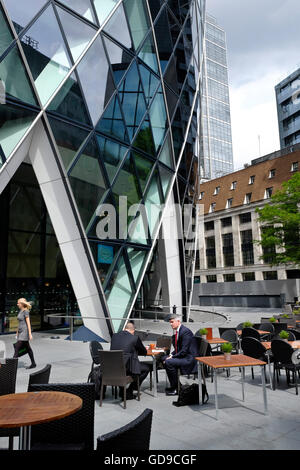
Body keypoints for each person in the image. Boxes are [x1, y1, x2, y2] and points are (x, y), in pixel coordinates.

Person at [110, 321, 151, 399]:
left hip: (113, 367)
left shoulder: (114, 336)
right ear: (133, 331)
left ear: (125, 329)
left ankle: (122, 390)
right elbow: (143, 352)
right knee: (146, 368)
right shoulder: (134, 338)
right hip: (126, 368)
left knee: (131, 365)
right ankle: (130, 390)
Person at [162, 314, 197, 396]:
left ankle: (176, 388)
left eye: (172, 322)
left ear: (178, 321)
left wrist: (172, 357)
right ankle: (176, 384)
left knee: (168, 362)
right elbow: (178, 348)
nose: (170, 324)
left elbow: (184, 351)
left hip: (189, 359)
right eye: (170, 322)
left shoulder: (185, 332)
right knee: (163, 358)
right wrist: (171, 354)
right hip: (183, 356)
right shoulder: (179, 331)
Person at [13, 298, 36, 369]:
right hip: (20, 332)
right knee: (28, 348)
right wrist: (17, 333)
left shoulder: (26, 311)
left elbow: (28, 323)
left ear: (22, 303)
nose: (17, 304)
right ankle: (33, 363)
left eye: (18, 303)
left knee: (17, 347)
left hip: (25, 332)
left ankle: (12, 366)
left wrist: (29, 334)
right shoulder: (20, 311)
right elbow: (19, 323)